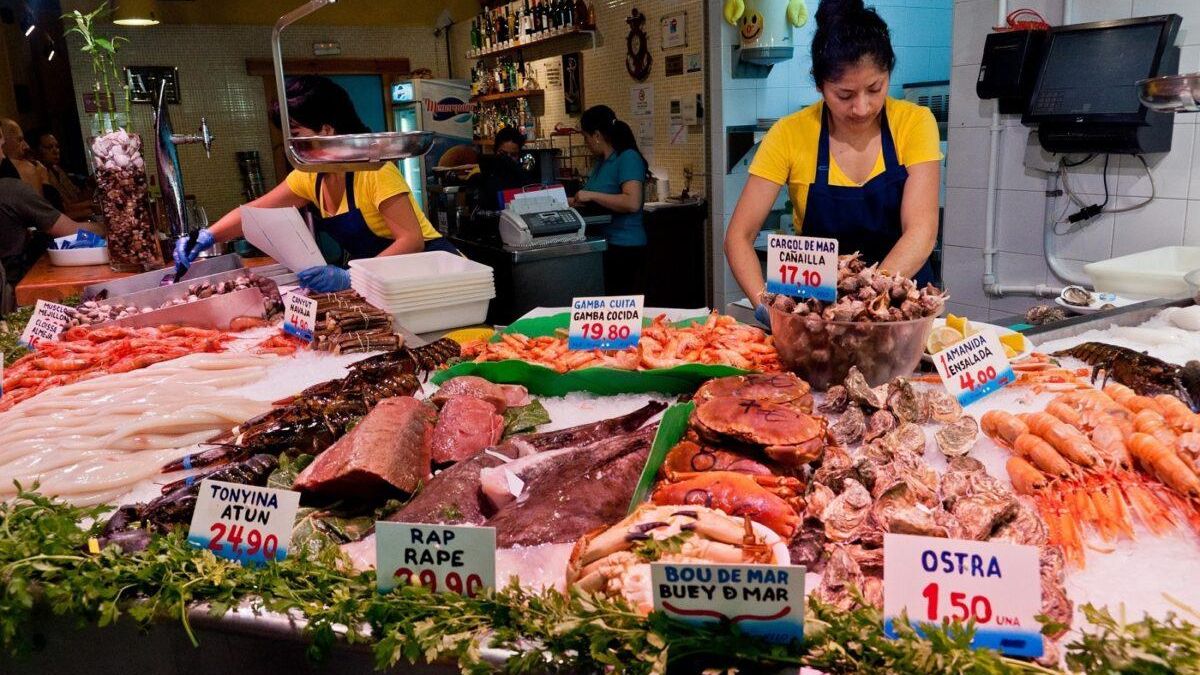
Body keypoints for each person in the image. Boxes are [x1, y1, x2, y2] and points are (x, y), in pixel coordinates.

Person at [724, 0, 942, 323]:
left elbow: (921, 231)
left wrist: (866, 305)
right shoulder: (789, 133)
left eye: (874, 88)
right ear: (820, 86)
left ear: (888, 73)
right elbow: (738, 237)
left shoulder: (915, 122)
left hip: (899, 317)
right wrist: (768, 309)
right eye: (844, 95)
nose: (862, 107)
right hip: (817, 319)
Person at [175, 76, 457, 292]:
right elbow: (252, 214)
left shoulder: (373, 169)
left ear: (326, 129)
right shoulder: (311, 175)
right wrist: (206, 237)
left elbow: (411, 240)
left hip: (434, 274)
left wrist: (351, 277)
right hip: (384, 281)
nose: (292, 145)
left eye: (297, 134)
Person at [570, 105, 648, 296]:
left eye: (586, 137)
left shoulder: (627, 157)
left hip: (625, 246)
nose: (586, 143)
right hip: (604, 244)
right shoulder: (601, 163)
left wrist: (592, 195)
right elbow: (591, 198)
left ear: (596, 135)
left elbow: (632, 202)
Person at [0, 125, 94, 284]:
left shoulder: (53, 171)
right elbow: (54, 223)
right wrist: (109, 230)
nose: (26, 146)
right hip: (17, 285)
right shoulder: (14, 184)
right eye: (20, 140)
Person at [29, 128, 93, 218]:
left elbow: (76, 197)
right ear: (37, 151)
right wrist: (91, 209)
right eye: (49, 147)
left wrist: (90, 184)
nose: (56, 151)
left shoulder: (57, 169)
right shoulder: (37, 176)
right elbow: (61, 212)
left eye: (57, 146)